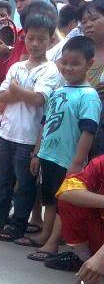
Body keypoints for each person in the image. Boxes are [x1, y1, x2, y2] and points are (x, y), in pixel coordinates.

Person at [0, 13, 61, 241]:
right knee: (2, 179)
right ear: (25, 39)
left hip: (29, 136)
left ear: (51, 40)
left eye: (41, 39)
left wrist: (15, 90)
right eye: (31, 38)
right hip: (6, 132)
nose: (35, 43)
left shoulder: (50, 70)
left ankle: (18, 223)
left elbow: (38, 100)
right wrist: (20, 92)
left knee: (24, 184)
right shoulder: (17, 67)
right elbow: (1, 96)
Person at [22, 36, 101, 258]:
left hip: (68, 160)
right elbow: (45, 124)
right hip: (48, 156)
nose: (68, 67)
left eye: (75, 63)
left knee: (63, 202)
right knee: (49, 199)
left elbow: (89, 131)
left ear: (89, 63)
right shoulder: (58, 91)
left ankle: (52, 243)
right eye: (64, 62)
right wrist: (37, 152)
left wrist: (77, 163)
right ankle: (45, 236)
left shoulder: (89, 96)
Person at [40, 155, 104, 281]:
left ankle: (96, 262)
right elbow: (67, 192)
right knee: (70, 200)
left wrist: (101, 257)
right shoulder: (101, 163)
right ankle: (84, 260)